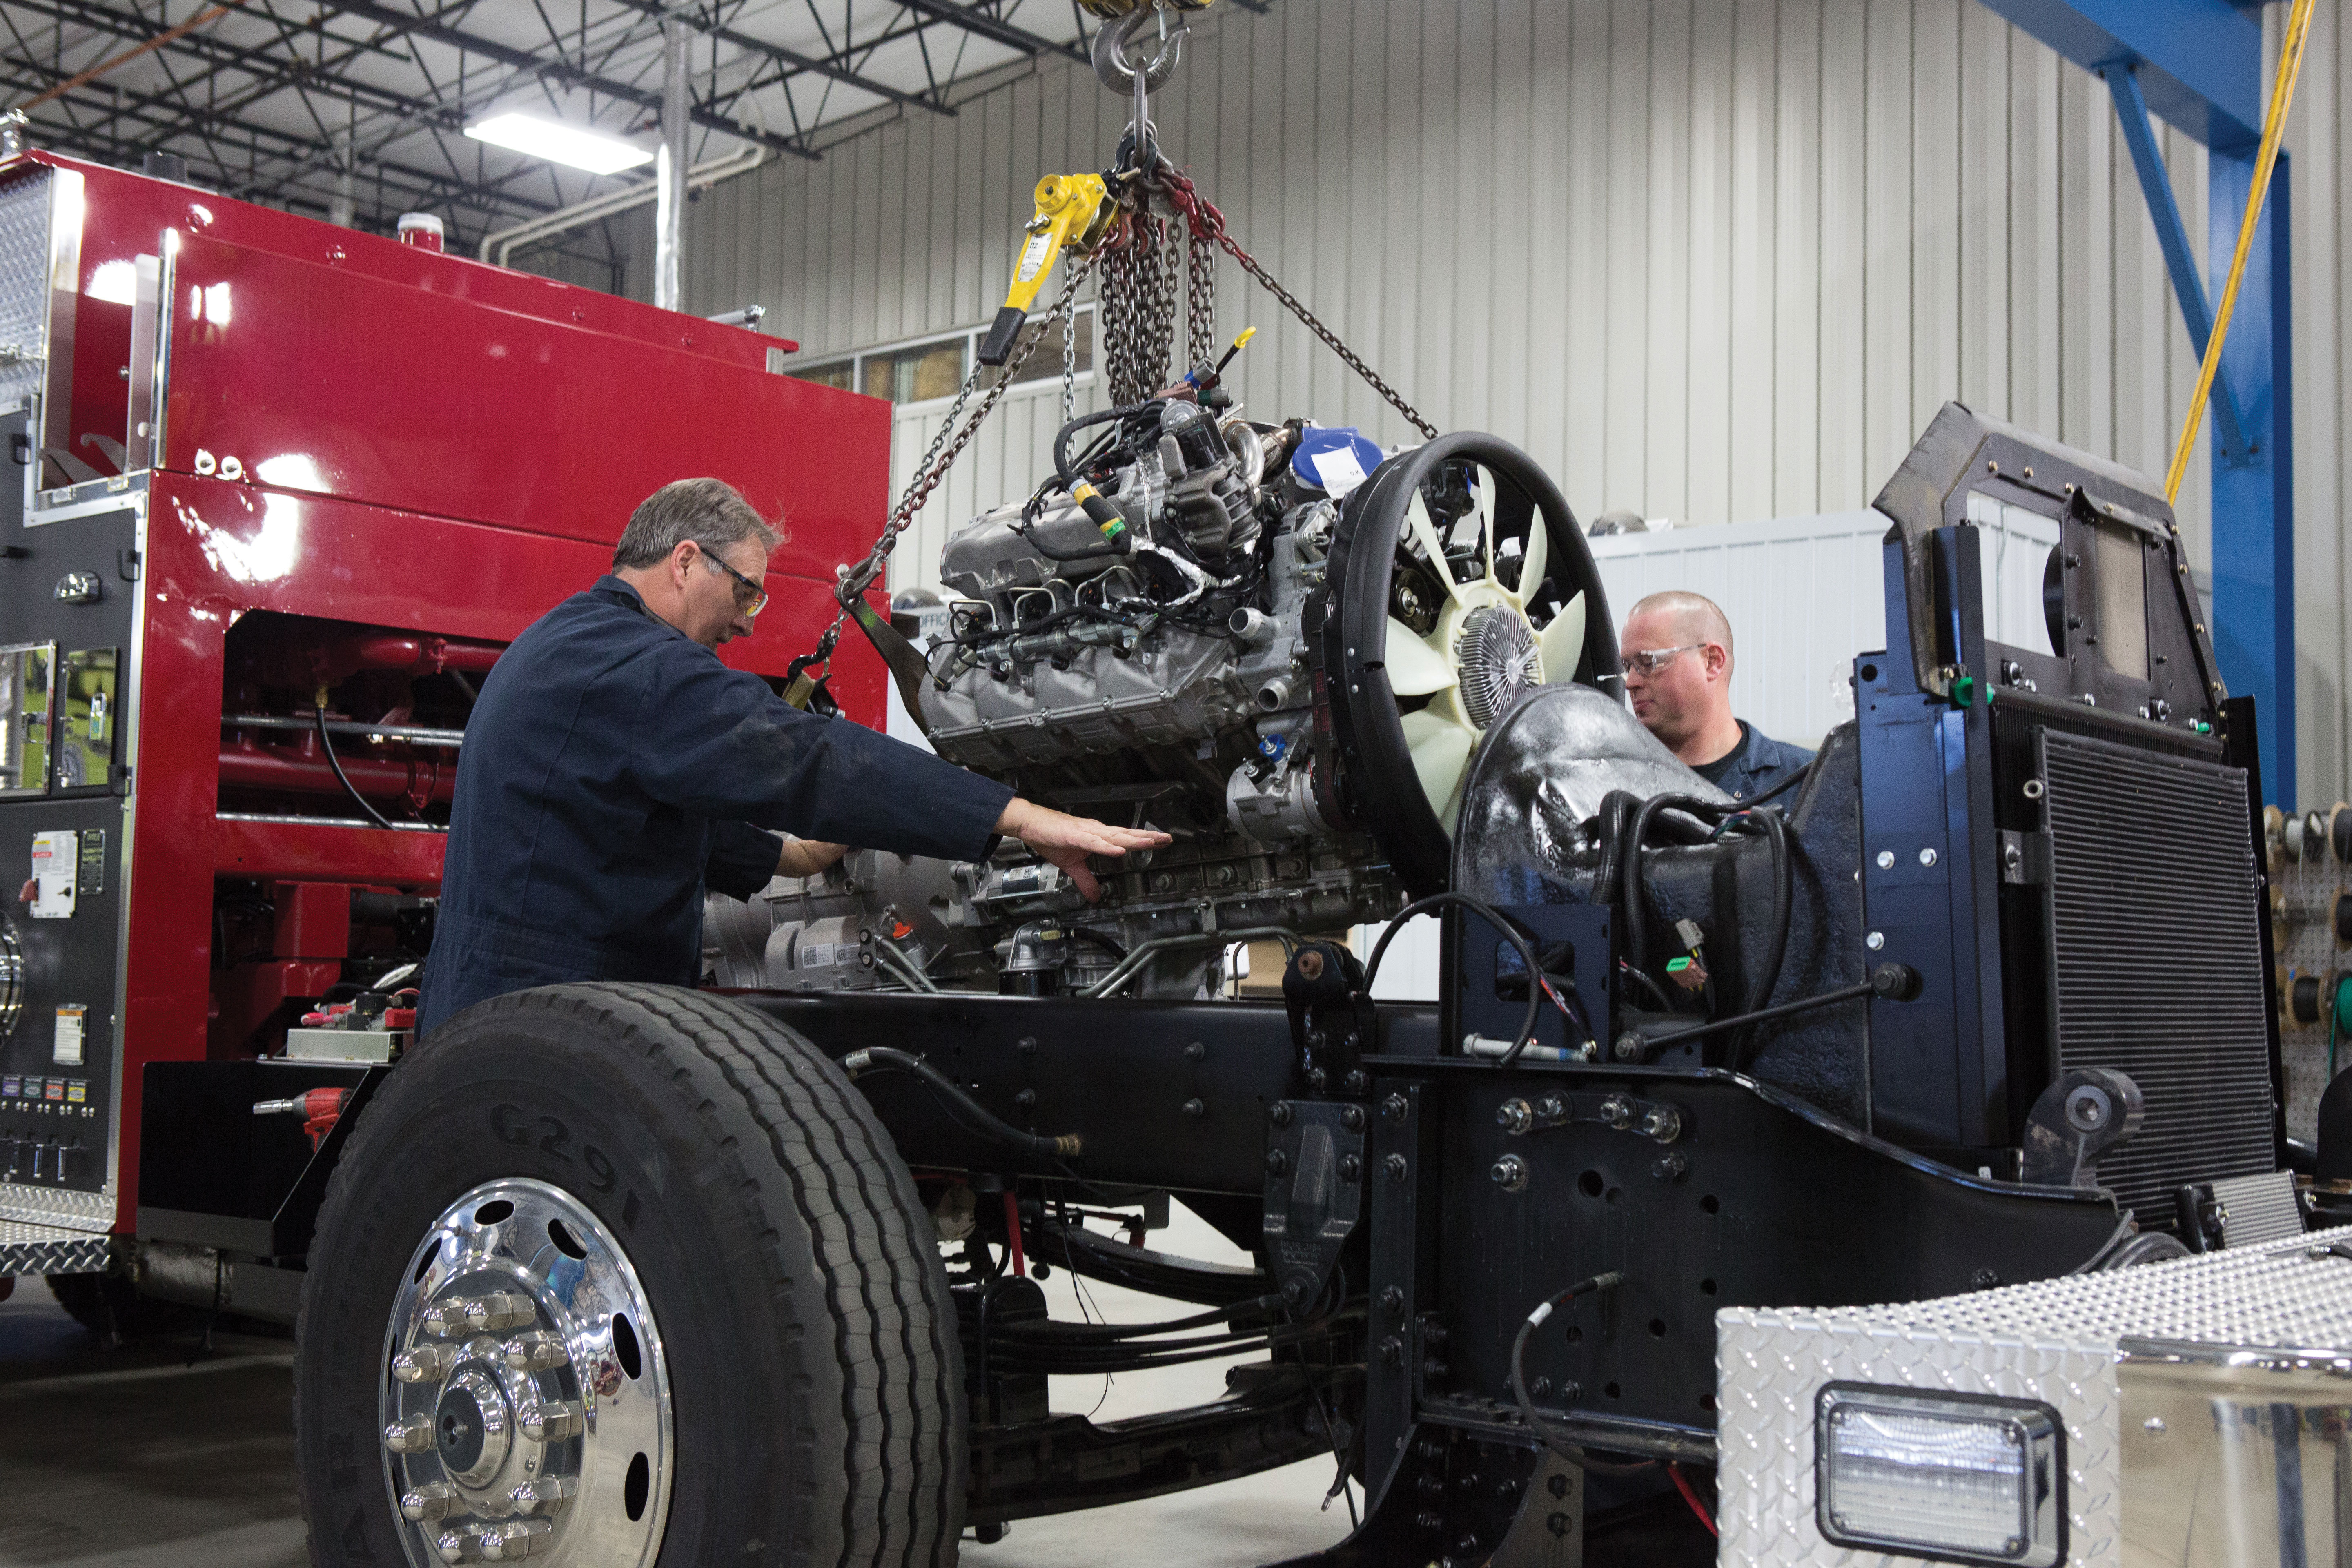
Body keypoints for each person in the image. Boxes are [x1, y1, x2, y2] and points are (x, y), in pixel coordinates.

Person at [416, 478, 1168, 1036]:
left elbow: (633, 819)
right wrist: (1017, 815)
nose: (746, 624)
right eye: (747, 594)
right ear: (685, 562)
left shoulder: (568, 644)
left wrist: (803, 854)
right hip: (547, 1028)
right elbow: (803, 756)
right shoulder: (634, 668)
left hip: (505, 1020)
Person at [1619, 590, 1812, 801]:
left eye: (1648, 662)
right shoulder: (1619, 785)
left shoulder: (1806, 782)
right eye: (1628, 666)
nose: (1631, 683)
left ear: (1712, 661)